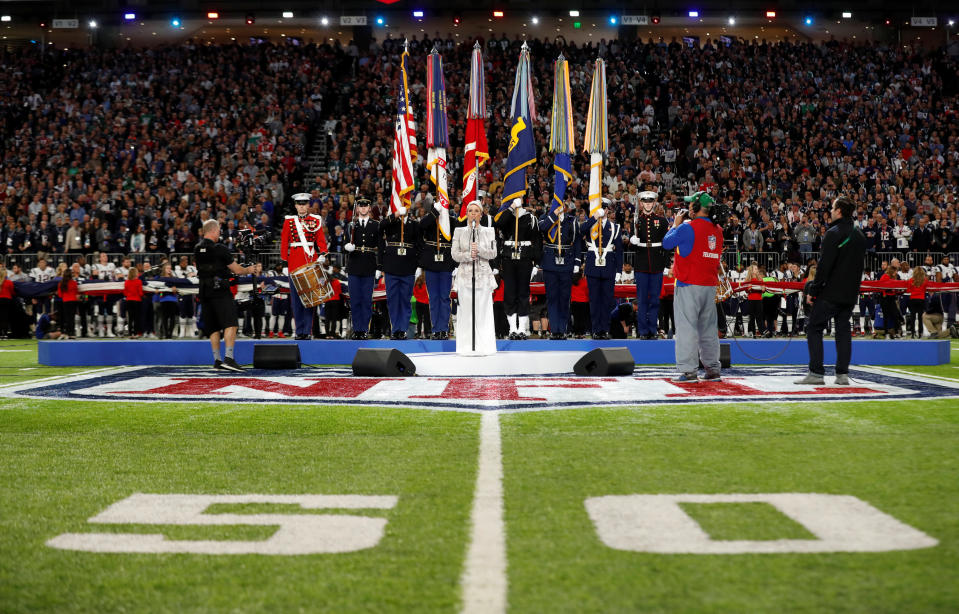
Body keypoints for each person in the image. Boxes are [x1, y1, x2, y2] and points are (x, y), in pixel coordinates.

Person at [795, 197, 866, 386]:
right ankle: (842, 375)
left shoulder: (833, 233)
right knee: (843, 330)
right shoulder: (859, 234)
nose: (831, 211)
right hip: (850, 293)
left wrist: (813, 290)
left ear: (839, 211)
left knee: (814, 327)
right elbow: (860, 267)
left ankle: (816, 373)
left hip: (831, 292)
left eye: (833, 208)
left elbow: (824, 267)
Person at [662, 191, 729, 382]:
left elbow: (667, 243)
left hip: (688, 284)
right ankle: (713, 369)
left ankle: (689, 371)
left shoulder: (686, 228)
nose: (689, 207)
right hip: (709, 286)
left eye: (692, 204)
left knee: (686, 329)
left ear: (697, 207)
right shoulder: (718, 231)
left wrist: (675, 224)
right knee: (708, 330)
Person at [194, 219, 258, 371]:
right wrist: (249, 269)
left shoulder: (197, 248)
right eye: (219, 231)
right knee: (231, 323)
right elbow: (237, 270)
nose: (220, 233)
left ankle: (217, 360)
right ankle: (229, 358)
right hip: (219, 290)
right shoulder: (220, 248)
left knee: (213, 327)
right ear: (214, 231)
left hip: (204, 291)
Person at [451, 201, 498, 355]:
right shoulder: (459, 231)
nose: (472, 213)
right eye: (470, 210)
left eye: (476, 211)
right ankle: (465, 346)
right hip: (465, 275)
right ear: (466, 213)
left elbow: (493, 253)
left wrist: (480, 250)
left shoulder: (489, 231)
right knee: (466, 311)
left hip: (483, 276)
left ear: (481, 214)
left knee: (483, 311)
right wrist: (467, 255)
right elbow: (454, 254)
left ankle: (485, 346)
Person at [280, 193, 328, 340]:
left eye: (304, 203)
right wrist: (284, 263)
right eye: (299, 204)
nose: (301, 206)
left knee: (310, 299)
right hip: (294, 262)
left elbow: (320, 239)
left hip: (310, 263)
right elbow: (284, 242)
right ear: (295, 206)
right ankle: (298, 331)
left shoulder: (315, 220)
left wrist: (322, 253)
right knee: (295, 300)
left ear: (308, 205)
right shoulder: (289, 221)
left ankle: (307, 331)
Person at [495, 198, 541, 339]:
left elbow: (538, 240)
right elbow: (499, 224)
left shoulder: (531, 218)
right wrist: (512, 207)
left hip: (525, 258)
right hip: (509, 258)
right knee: (509, 294)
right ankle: (512, 329)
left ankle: (522, 329)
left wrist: (536, 263)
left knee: (523, 294)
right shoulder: (507, 216)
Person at [537, 199, 581, 339]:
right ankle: (554, 330)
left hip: (567, 261)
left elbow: (577, 241)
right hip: (550, 261)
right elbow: (542, 229)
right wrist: (553, 216)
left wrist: (577, 262)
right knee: (552, 298)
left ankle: (562, 329)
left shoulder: (571, 220)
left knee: (564, 298)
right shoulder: (545, 218)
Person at [579, 199, 622, 339]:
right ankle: (596, 330)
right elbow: (581, 230)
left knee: (607, 300)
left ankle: (604, 329)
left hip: (608, 267)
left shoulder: (614, 227)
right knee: (594, 300)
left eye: (604, 208)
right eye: (600, 208)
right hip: (593, 266)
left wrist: (619, 271)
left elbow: (620, 251)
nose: (603, 210)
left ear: (608, 210)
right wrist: (594, 217)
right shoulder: (591, 225)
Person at [418, 200, 461, 339]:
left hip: (446, 263)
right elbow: (421, 226)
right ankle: (436, 329)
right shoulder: (430, 220)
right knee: (434, 298)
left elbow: (457, 243)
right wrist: (434, 213)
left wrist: (456, 264)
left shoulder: (453, 222)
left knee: (444, 298)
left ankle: (443, 329)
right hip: (431, 263)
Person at [629, 190, 669, 339]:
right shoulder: (636, 221)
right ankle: (643, 331)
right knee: (642, 300)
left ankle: (653, 330)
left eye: (650, 201)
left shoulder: (662, 221)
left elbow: (666, 245)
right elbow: (632, 247)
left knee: (654, 300)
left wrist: (665, 265)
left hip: (657, 264)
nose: (647, 204)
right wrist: (632, 242)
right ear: (641, 203)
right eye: (645, 202)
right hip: (641, 265)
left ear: (654, 203)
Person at [380, 201, 420, 340]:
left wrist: (416, 265)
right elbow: (381, 226)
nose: (405, 207)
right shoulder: (392, 222)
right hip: (391, 266)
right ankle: (395, 328)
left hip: (408, 267)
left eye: (407, 204)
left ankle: (402, 330)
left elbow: (419, 245)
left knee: (405, 300)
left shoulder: (414, 224)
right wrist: (395, 215)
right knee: (392, 300)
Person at [344, 198, 379, 339]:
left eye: (366, 206)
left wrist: (379, 266)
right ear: (357, 209)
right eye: (361, 206)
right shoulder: (351, 225)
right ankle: (357, 329)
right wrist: (347, 247)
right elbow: (344, 243)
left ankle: (364, 329)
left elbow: (379, 245)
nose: (363, 209)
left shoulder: (375, 225)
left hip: (369, 266)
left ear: (369, 208)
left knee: (366, 300)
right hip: (354, 266)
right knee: (355, 300)